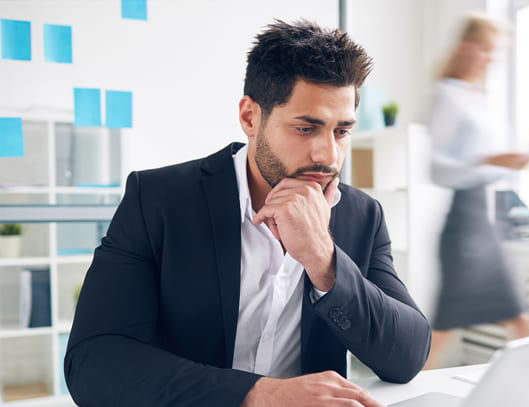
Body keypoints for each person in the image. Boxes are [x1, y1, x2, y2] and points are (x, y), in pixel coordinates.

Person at [65, 20, 431, 407]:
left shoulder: (361, 215)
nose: (328, 155)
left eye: (341, 131)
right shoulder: (157, 200)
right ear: (249, 118)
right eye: (306, 129)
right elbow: (93, 359)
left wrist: (323, 259)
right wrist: (260, 394)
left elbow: (406, 356)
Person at [424, 14, 529, 369]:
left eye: (497, 51)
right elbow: (437, 168)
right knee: (448, 324)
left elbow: (482, 163)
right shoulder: (447, 95)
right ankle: (404, 388)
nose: (492, 58)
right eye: (486, 49)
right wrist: (492, 158)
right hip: (464, 225)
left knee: (517, 314)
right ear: (467, 47)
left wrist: (508, 162)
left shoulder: (479, 98)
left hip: (487, 220)